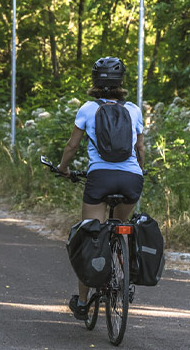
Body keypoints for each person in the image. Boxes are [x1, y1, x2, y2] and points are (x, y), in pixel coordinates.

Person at [56, 56, 145, 320]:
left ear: (95, 82)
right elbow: (140, 148)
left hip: (100, 178)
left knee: (91, 237)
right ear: (121, 82)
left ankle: (83, 302)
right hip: (131, 180)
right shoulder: (134, 110)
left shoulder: (87, 109)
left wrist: (63, 168)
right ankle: (125, 276)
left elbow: (72, 146)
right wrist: (139, 170)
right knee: (121, 225)